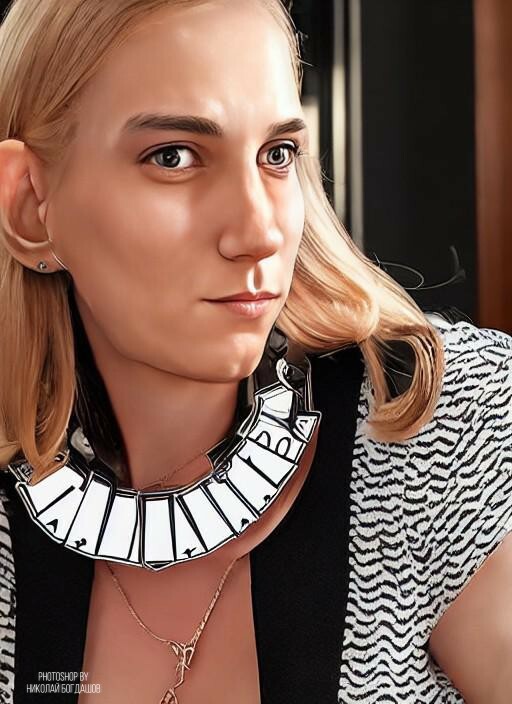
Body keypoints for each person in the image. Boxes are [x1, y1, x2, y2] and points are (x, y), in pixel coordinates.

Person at [0, 0, 510, 702]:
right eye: (174, 157)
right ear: (31, 204)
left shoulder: (450, 426)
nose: (257, 231)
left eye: (278, 154)